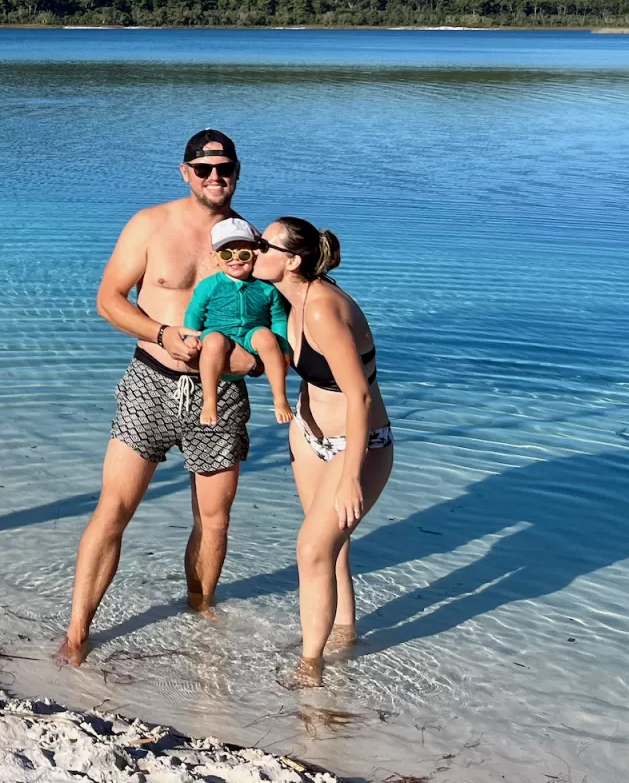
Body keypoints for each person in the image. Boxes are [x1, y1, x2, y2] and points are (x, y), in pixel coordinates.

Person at [55, 130, 255, 668]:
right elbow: (108, 301)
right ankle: (77, 633)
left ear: (237, 171)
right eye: (204, 168)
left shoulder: (248, 241)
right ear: (185, 172)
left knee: (214, 519)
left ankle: (201, 616)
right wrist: (162, 334)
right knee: (114, 509)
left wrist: (256, 362)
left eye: (225, 167)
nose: (216, 177)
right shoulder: (150, 225)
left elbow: (271, 324)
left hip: (222, 395)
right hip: (151, 383)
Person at [252, 216, 394, 687]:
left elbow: (360, 396)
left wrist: (352, 474)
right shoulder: (293, 300)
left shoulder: (321, 309)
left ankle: (310, 667)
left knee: (312, 549)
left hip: (359, 444)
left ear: (291, 261)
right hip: (311, 438)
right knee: (331, 550)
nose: (253, 249)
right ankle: (344, 635)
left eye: (262, 244)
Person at [185, 218, 293, 426]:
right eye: (227, 254)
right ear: (215, 258)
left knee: (266, 335)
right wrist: (191, 336)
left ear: (254, 256)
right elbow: (194, 313)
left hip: (250, 335)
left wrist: (284, 348)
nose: (236, 260)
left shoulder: (266, 288)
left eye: (243, 254)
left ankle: (280, 397)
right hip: (217, 333)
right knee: (214, 340)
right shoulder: (209, 285)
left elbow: (278, 317)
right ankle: (210, 401)